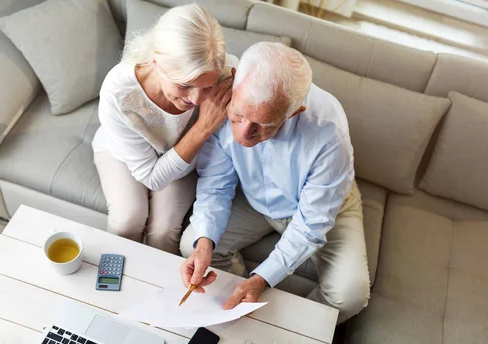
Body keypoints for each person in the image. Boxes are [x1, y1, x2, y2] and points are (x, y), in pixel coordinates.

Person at [179, 42, 370, 323]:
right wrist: (205, 241)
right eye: (239, 116)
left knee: (351, 294)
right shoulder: (223, 99)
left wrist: (263, 279)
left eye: (263, 125)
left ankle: (282, 325)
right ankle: (239, 302)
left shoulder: (329, 133)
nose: (244, 134)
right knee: (191, 244)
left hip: (327, 209)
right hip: (254, 202)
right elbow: (215, 185)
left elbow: (310, 225)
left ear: (294, 111)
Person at [92, 4, 235, 255]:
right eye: (184, 85)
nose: (196, 99)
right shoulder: (119, 92)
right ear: (156, 62)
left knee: (163, 232)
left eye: (206, 86)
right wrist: (203, 127)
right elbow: (151, 177)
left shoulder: (224, 73)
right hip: (123, 154)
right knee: (128, 220)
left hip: (184, 163)